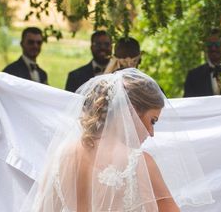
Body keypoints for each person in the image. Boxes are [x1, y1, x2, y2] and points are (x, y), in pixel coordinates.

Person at [23, 69, 181, 211]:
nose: (151, 132)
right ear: (131, 112)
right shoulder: (140, 163)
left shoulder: (62, 155)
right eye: (152, 121)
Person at [183, 29, 221, 97]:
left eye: (217, 44)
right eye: (210, 45)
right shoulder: (193, 76)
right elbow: (188, 103)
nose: (213, 48)